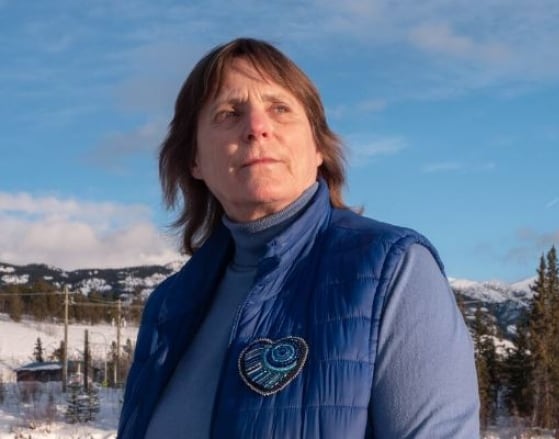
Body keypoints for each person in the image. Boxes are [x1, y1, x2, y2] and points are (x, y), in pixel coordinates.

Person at [118, 37, 479, 439]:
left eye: (280, 109)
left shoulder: (392, 270)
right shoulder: (170, 307)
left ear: (318, 146)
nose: (257, 128)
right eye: (228, 113)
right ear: (195, 160)